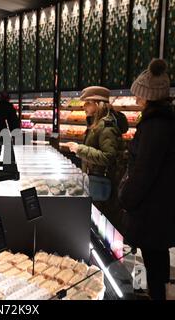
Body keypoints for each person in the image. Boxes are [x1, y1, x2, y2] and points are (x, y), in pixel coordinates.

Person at [118, 59, 175, 300]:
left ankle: (156, 295)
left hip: (153, 207)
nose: (136, 100)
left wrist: (126, 196)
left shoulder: (156, 125)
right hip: (166, 203)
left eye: (139, 96)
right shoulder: (174, 120)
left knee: (153, 258)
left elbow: (145, 170)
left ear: (149, 96)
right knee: (158, 256)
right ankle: (159, 293)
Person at [65, 86, 128, 230]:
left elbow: (108, 157)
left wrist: (80, 149)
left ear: (96, 103)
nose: (83, 106)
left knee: (106, 225)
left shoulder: (106, 126)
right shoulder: (97, 123)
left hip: (104, 183)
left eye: (87, 102)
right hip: (99, 181)